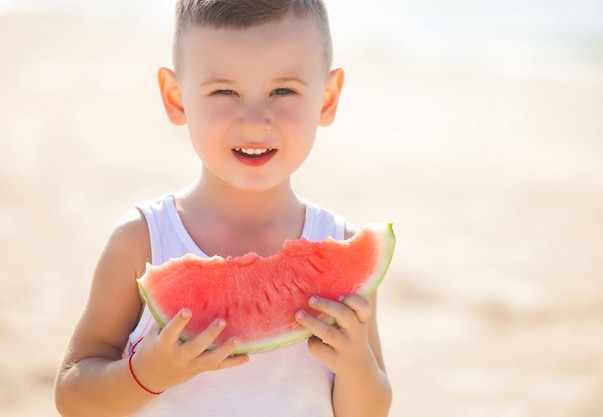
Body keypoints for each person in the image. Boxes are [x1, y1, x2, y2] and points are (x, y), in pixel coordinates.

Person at [54, 1, 392, 416]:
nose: (254, 120)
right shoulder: (142, 241)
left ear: (327, 98)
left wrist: (357, 367)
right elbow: (72, 397)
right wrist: (148, 373)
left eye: (283, 90)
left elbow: (370, 410)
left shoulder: (341, 244)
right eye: (224, 91)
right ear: (175, 98)